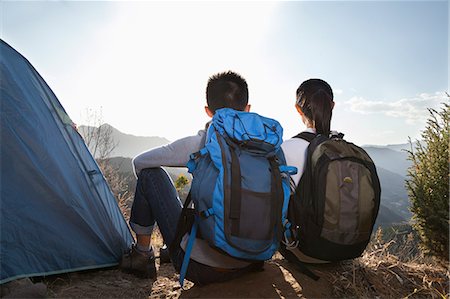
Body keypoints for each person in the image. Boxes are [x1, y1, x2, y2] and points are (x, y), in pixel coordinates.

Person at [119, 71, 263, 285]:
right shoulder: (266, 148)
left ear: (208, 111)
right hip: (254, 260)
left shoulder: (200, 143)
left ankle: (142, 254)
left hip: (203, 268)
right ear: (248, 109)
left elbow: (139, 162)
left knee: (151, 174)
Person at [280, 78, 335, 264]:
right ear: (332, 106)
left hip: (304, 250)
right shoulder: (342, 148)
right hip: (344, 248)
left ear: (298, 109)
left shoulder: (286, 149)